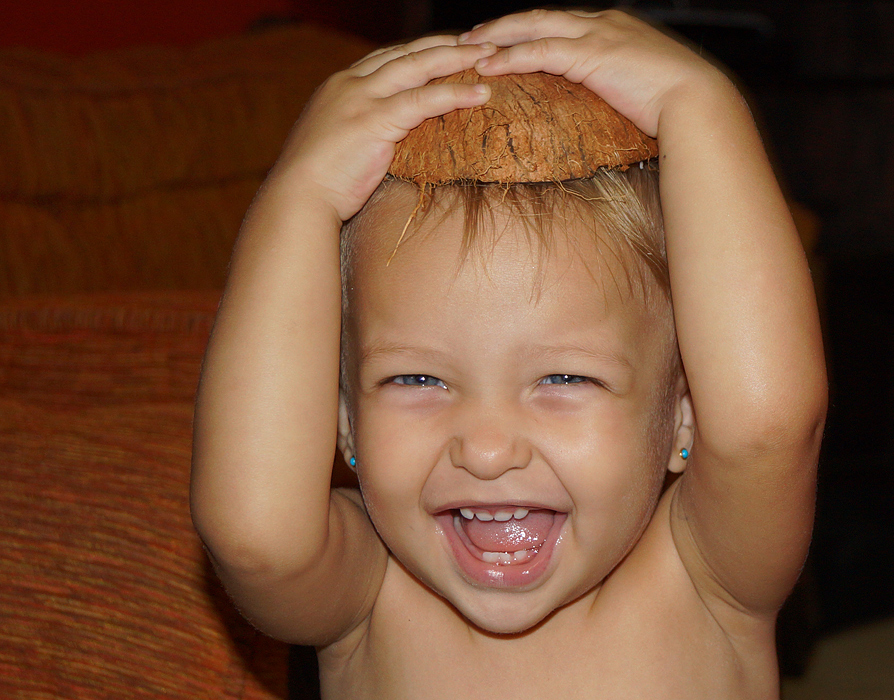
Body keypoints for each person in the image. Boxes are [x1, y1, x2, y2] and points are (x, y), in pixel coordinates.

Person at [190, 9, 827, 698]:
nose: (487, 450)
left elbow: (767, 430)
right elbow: (253, 536)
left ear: (685, 414)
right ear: (341, 418)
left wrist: (698, 106)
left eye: (563, 376)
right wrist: (301, 196)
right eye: (417, 378)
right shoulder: (366, 592)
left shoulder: (707, 573)